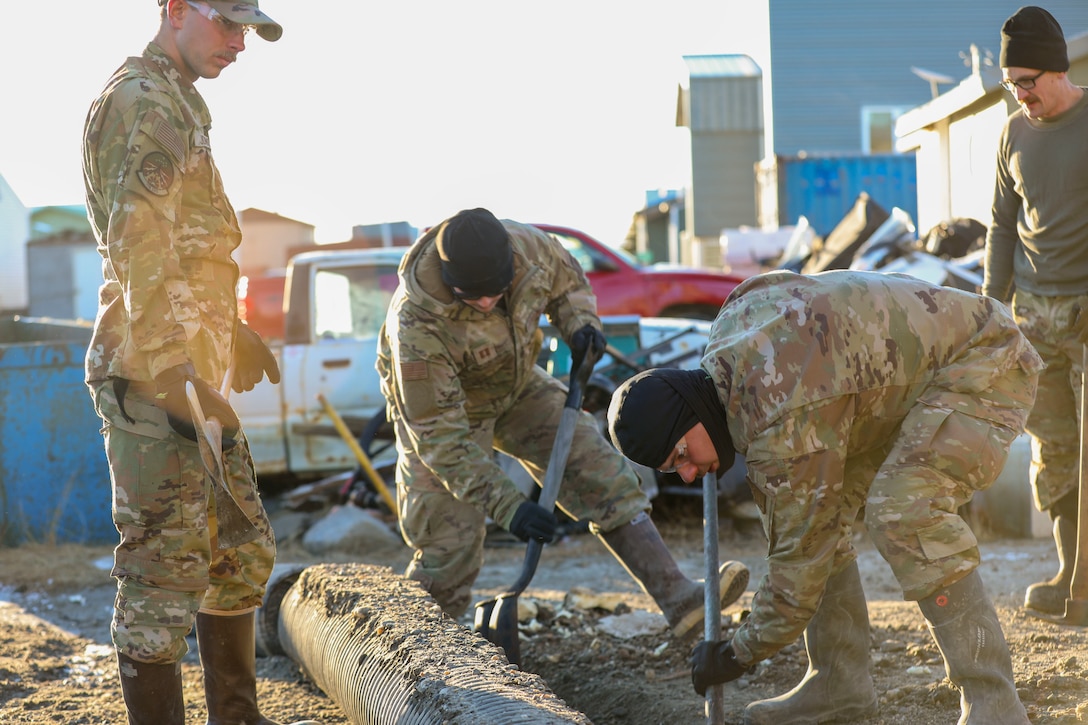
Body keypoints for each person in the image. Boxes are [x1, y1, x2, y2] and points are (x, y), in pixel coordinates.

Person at [607, 270, 1042, 725]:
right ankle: (838, 686)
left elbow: (797, 570)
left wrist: (736, 653)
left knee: (905, 512)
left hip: (984, 363)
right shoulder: (730, 336)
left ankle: (995, 703)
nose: (691, 473)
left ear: (689, 411)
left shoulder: (778, 415)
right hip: (898, 389)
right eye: (673, 469)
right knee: (824, 518)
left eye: (682, 455)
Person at [82, 3, 316, 724]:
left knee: (236, 553)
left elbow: (188, 243)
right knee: (161, 579)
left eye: (250, 30)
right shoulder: (143, 101)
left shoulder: (181, 102)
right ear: (177, 10)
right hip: (156, 379)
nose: (240, 43)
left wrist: (232, 324)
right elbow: (139, 244)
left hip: (189, 370)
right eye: (228, 24)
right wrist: (177, 374)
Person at [376, 207, 749, 638]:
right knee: (449, 543)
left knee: (599, 473)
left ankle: (679, 597)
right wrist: (510, 507)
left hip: (515, 386)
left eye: (492, 292)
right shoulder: (415, 324)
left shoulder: (529, 248)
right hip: (446, 416)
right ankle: (413, 655)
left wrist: (581, 324)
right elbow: (441, 440)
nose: (483, 303)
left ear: (508, 266)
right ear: (447, 277)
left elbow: (568, 283)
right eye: (470, 295)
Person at [983, 5, 1088, 618]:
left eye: (1027, 81)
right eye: (1010, 83)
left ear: (1057, 70)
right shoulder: (1013, 133)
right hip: (1034, 319)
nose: (1020, 94)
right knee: (1052, 447)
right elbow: (1001, 226)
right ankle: (1071, 573)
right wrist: (993, 310)